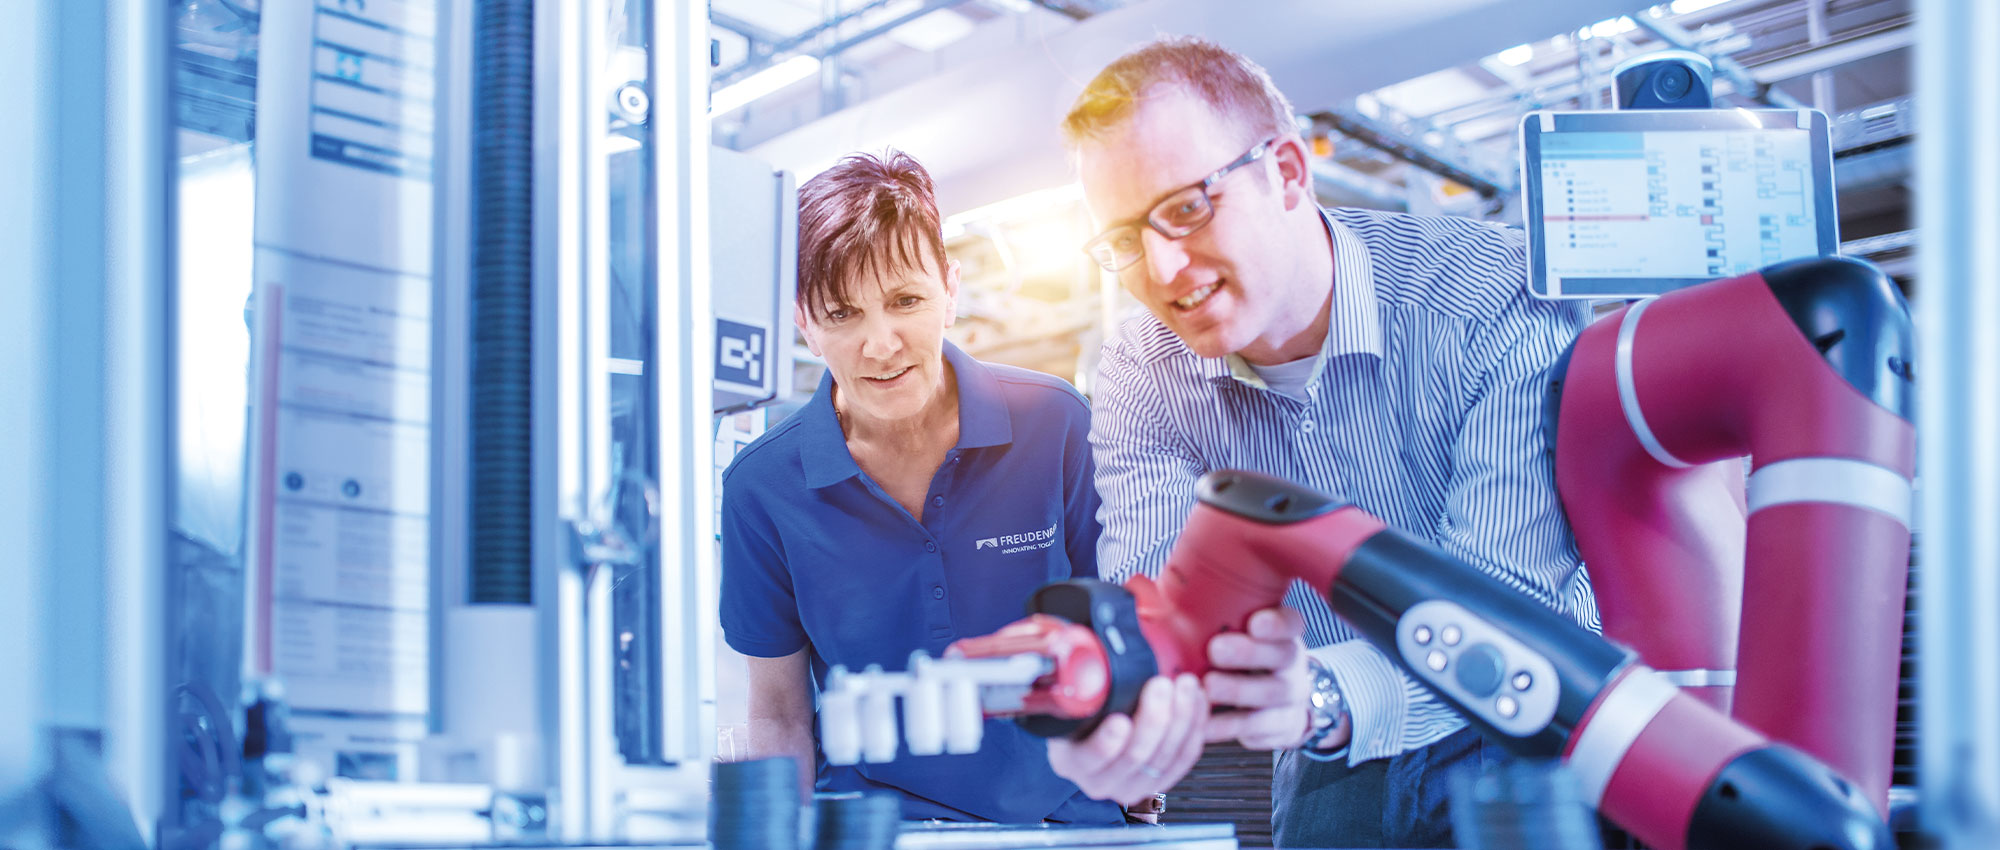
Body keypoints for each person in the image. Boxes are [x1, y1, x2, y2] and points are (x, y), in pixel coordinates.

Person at [1046, 37, 1599, 848]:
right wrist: (1129, 707)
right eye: (1127, 239)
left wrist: (1319, 695)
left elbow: (1506, 603)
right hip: (1330, 732)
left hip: (1524, 714)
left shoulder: (1487, 297)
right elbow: (1163, 610)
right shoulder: (1141, 369)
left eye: (1187, 207)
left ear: (1289, 173)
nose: (1163, 268)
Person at [718, 151, 1122, 825]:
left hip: (1067, 823)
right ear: (803, 324)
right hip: (875, 829)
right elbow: (779, 713)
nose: (881, 344)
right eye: (842, 313)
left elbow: (1119, 636)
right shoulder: (762, 488)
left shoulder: (1055, 424)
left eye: (905, 301)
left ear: (951, 288)